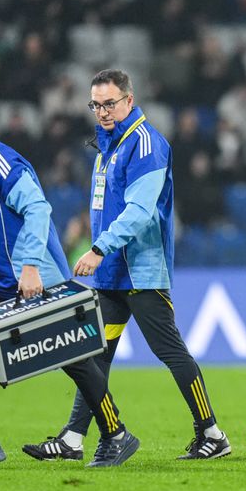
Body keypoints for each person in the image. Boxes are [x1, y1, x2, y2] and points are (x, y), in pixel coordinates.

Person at [22, 69, 230, 461]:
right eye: (96, 105)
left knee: (170, 351)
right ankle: (72, 439)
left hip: (141, 271)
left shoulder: (146, 143)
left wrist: (97, 249)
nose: (102, 111)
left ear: (129, 101)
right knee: (93, 356)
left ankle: (212, 433)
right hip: (112, 274)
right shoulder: (109, 145)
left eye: (109, 104)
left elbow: (139, 211)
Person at [0, 90, 138, 467]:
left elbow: (38, 208)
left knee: (75, 361)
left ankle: (117, 434)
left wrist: (29, 266)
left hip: (34, 277)